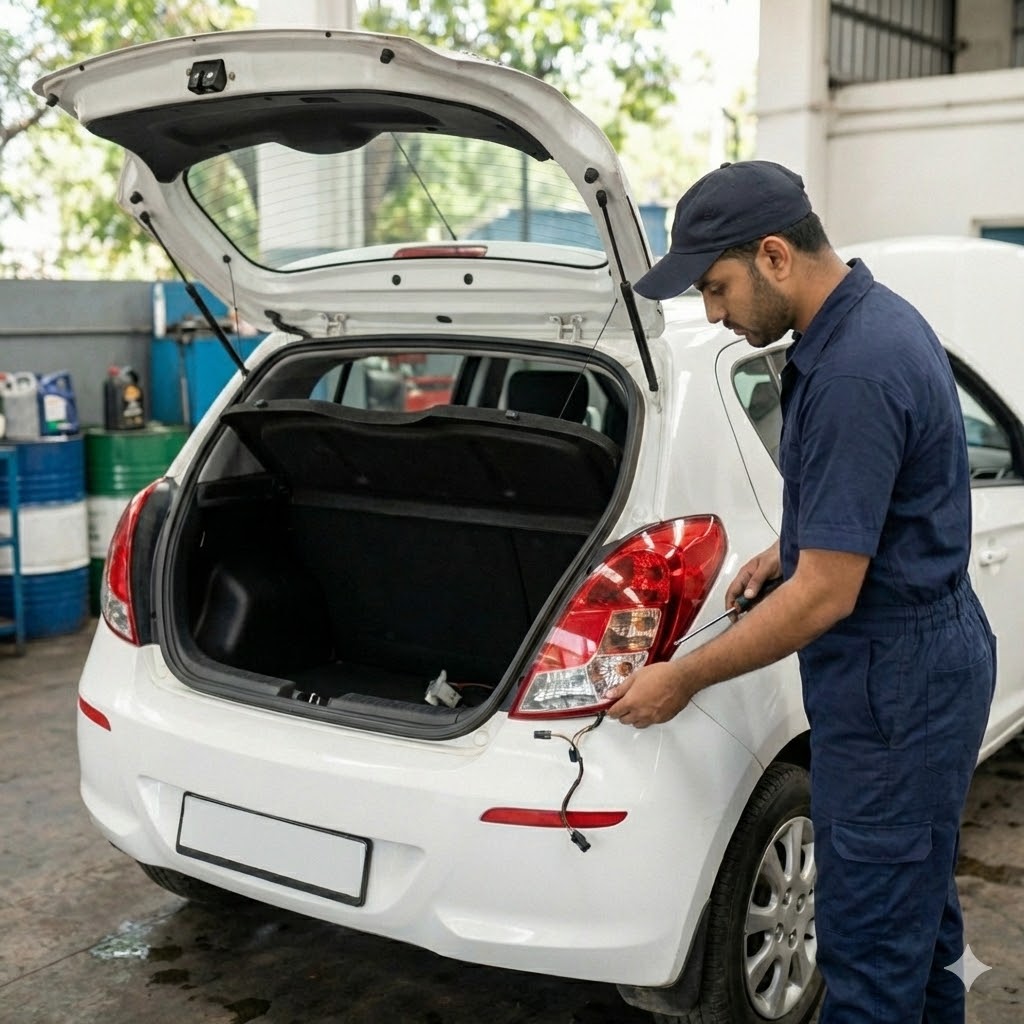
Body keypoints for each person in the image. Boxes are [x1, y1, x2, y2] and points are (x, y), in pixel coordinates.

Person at [605, 160, 997, 1023]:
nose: (713, 313)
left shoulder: (856, 369)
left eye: (717, 286)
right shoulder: (865, 327)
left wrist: (684, 675)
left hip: (896, 685)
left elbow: (826, 598)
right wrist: (793, 545)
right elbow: (871, 501)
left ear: (774, 255)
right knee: (918, 928)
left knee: (864, 962)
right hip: (912, 667)